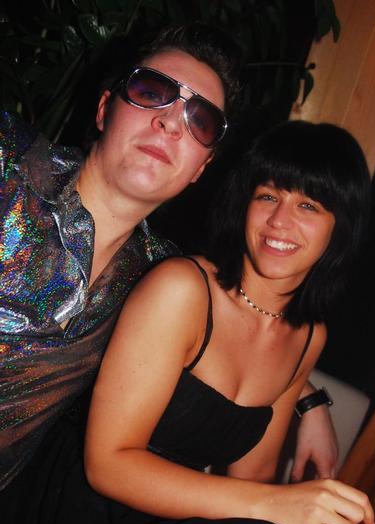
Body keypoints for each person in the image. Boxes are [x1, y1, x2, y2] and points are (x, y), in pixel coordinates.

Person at [1, 120, 375, 524]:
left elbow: (252, 478)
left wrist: (309, 412)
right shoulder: (182, 289)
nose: (280, 222)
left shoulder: (307, 338)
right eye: (267, 196)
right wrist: (278, 503)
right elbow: (107, 466)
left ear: (340, 227)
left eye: (308, 206)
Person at [0, 20, 339, 495]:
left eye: (200, 120)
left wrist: (308, 399)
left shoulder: (155, 276)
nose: (170, 122)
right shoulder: (8, 165)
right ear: (104, 109)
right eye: (150, 91)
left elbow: (240, 327)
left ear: (202, 167)